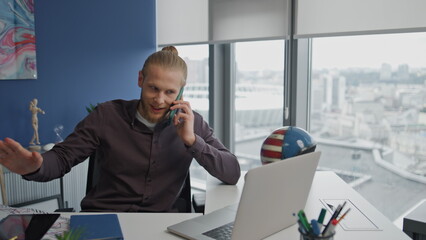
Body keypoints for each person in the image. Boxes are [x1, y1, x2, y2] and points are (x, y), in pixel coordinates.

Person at [0, 46, 241, 212]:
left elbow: (231, 173)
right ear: (140, 80)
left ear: (181, 91)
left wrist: (192, 140)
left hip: (163, 225)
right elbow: (63, 158)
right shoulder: (106, 115)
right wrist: (36, 166)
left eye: (169, 92)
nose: (159, 99)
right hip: (105, 217)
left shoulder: (193, 123)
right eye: (153, 88)